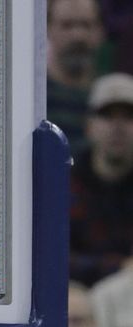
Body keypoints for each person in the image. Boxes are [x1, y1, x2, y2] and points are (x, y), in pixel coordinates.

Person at [70, 73, 133, 286]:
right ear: (89, 126)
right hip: (75, 296)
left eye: (128, 117)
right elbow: (53, 256)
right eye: (107, 116)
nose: (118, 127)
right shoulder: (65, 182)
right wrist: (117, 267)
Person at [46, 0, 104, 159]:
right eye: (67, 25)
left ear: (100, 31)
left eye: (86, 25)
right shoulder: (33, 98)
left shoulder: (110, 100)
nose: (78, 35)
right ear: (48, 29)